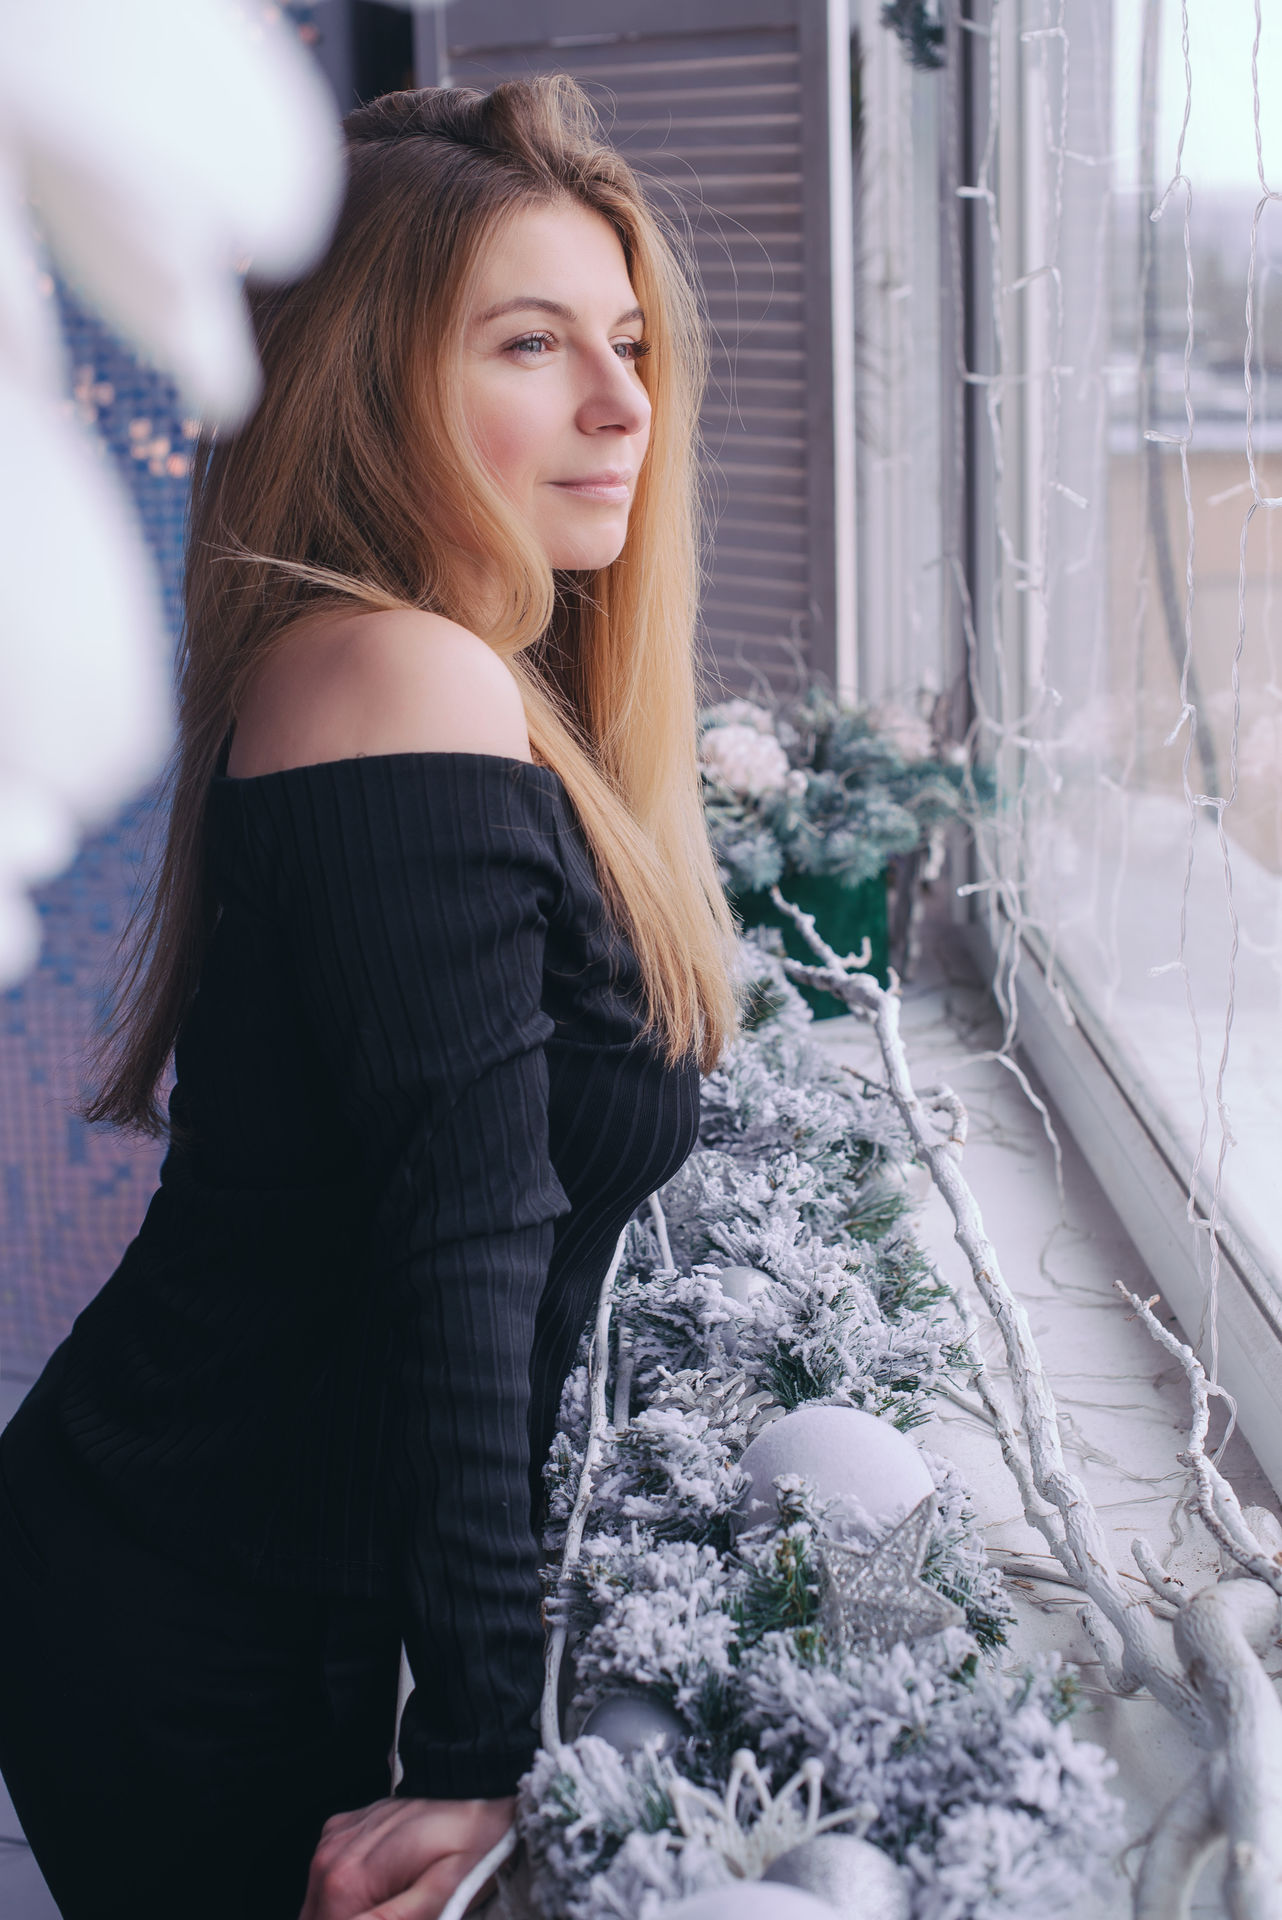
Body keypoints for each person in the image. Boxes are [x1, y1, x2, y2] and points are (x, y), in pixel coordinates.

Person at [0, 78, 738, 1920]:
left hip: (259, 1577)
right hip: (189, 1608)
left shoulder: (472, 682)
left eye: (629, 342)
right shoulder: (399, 674)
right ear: (367, 387)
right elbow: (467, 1232)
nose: (622, 403)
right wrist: (479, 1749)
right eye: (531, 343)